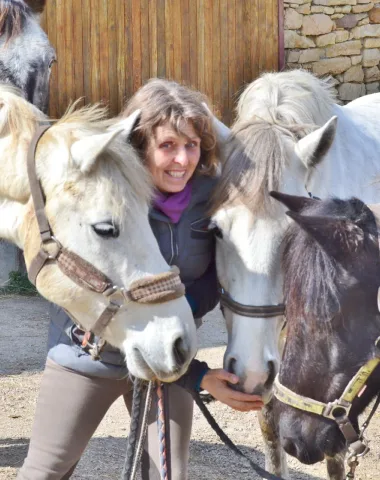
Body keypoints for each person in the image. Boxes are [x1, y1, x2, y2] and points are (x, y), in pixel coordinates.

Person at [18, 79, 263, 480]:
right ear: (141, 144)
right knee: (46, 470)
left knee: (168, 475)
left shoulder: (211, 198)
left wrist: (196, 371)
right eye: (167, 145)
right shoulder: (102, 193)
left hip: (166, 359)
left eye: (192, 145)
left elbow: (208, 286)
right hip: (88, 356)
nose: (181, 160)